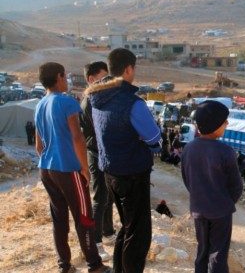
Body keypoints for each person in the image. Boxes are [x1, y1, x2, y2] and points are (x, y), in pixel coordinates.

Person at [87, 48, 162, 273]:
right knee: (139, 235)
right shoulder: (132, 102)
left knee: (127, 227)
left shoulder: (97, 96)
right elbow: (154, 138)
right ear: (129, 69)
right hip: (133, 173)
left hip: (110, 171)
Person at [34, 62, 110, 273]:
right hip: (68, 169)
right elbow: (78, 137)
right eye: (65, 76)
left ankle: (64, 266)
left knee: (59, 219)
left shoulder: (40, 104)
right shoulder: (66, 102)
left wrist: (51, 160)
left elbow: (38, 145)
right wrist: (84, 169)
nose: (66, 80)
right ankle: (95, 265)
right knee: (84, 217)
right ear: (59, 77)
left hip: (46, 169)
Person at [181, 100, 243, 273]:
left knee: (202, 251)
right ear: (215, 125)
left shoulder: (189, 149)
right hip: (220, 212)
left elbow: (187, 180)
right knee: (218, 254)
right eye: (224, 122)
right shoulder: (226, 151)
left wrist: (200, 197)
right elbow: (236, 186)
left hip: (198, 210)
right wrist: (225, 203)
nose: (227, 124)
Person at [80, 61, 114, 262]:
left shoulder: (98, 98)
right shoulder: (90, 102)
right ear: (91, 79)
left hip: (104, 153)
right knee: (100, 198)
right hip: (96, 153)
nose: (107, 82)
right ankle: (96, 241)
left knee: (108, 195)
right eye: (103, 79)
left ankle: (108, 232)